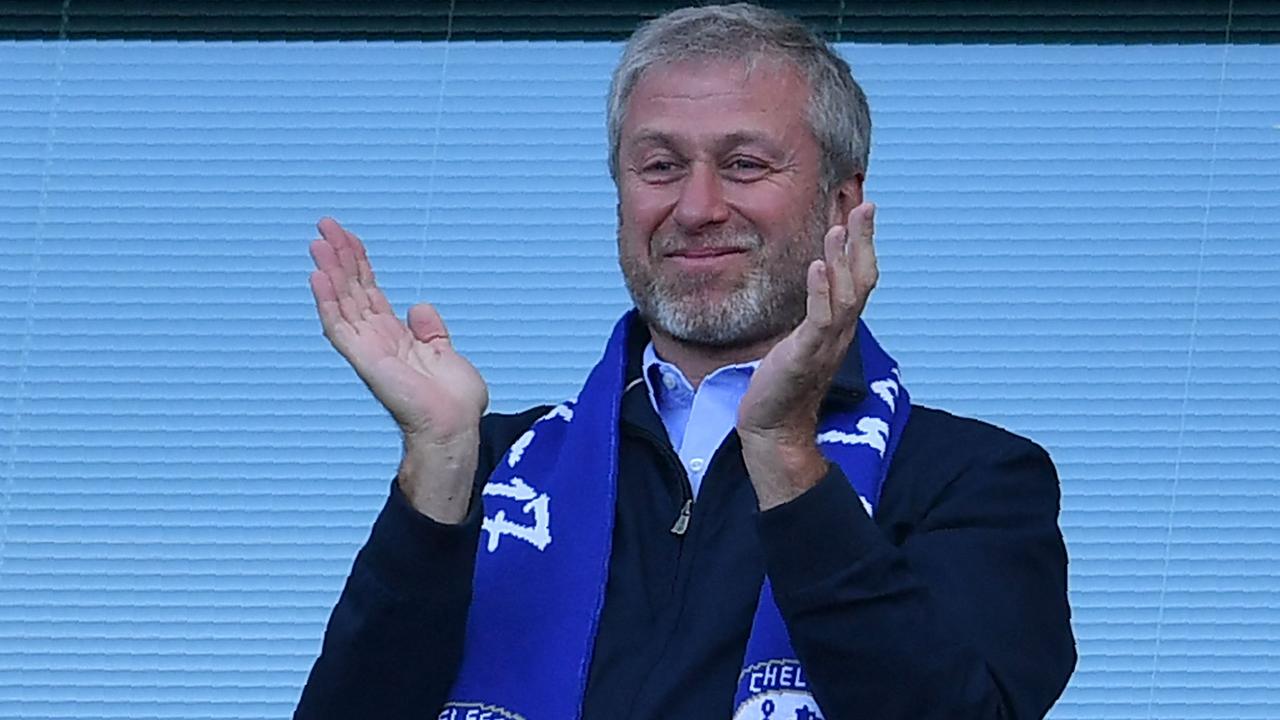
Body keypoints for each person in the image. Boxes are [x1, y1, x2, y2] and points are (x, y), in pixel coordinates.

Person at [294, 4, 1076, 719]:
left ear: (842, 205)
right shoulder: (488, 471)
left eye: (744, 165)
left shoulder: (969, 478)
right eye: (661, 166)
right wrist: (437, 466)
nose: (698, 208)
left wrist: (787, 461)